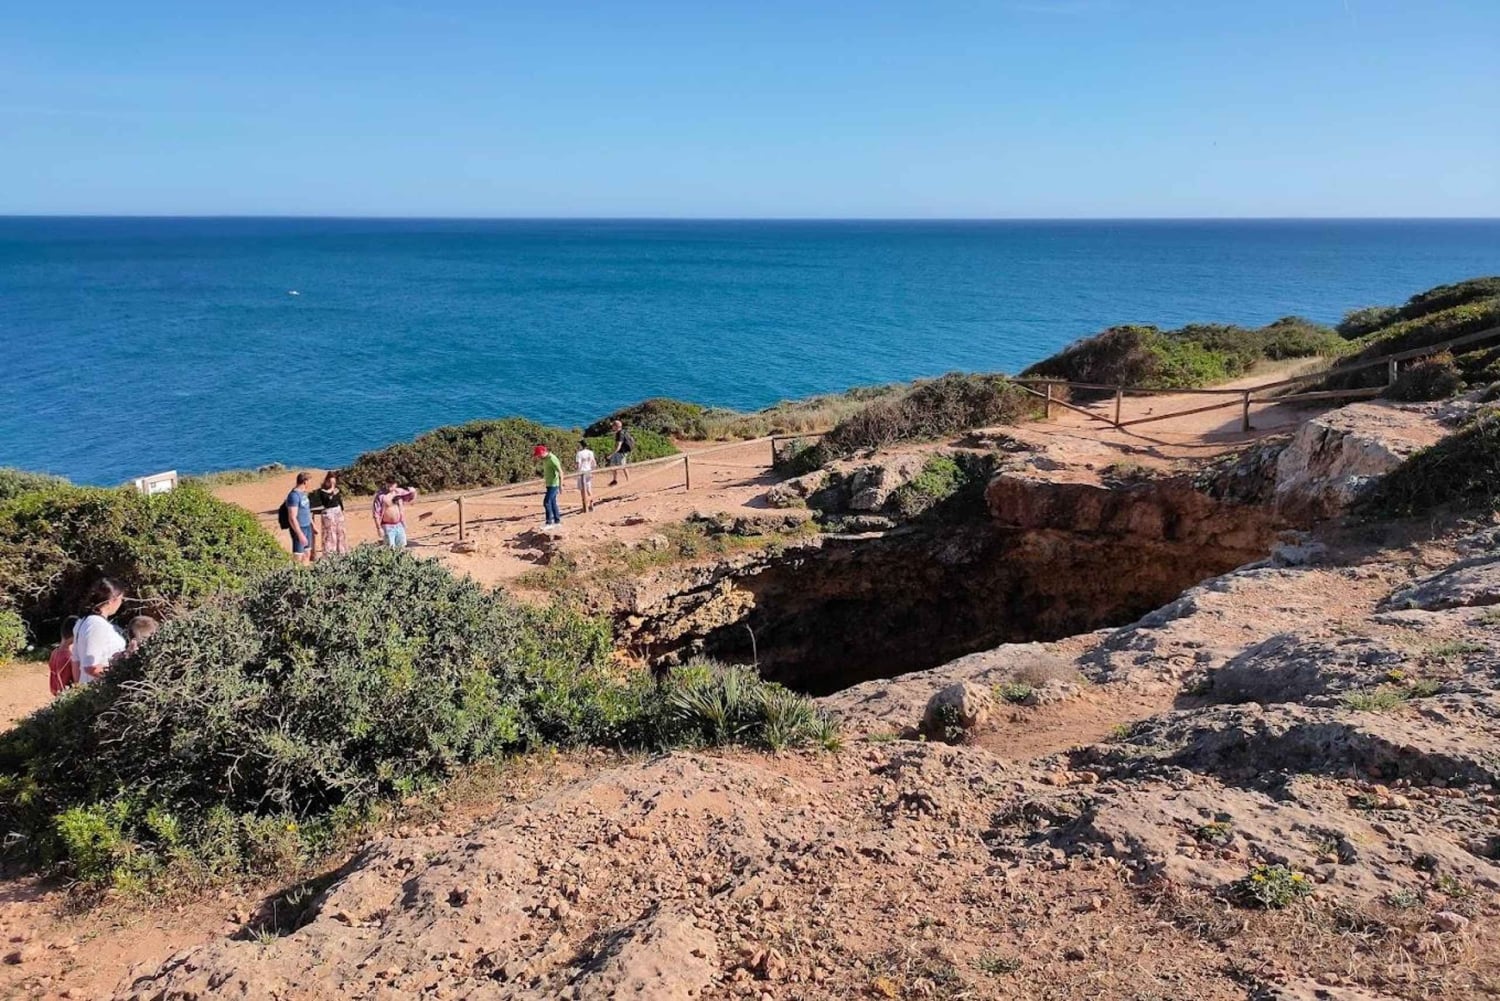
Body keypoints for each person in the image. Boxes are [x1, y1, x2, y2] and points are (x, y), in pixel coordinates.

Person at [73, 578, 126, 686]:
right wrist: (121, 676)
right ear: (112, 600)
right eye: (121, 599)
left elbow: (75, 661)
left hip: (89, 688)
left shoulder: (83, 621)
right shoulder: (97, 624)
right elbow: (91, 666)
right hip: (100, 689)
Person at [311, 472, 349, 557]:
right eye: (331, 482)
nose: (333, 484)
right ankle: (329, 554)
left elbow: (339, 502)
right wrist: (332, 493)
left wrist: (342, 511)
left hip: (338, 512)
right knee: (329, 534)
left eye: (334, 483)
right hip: (328, 513)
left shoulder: (336, 490)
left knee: (340, 532)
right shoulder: (322, 491)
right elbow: (326, 502)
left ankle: (342, 552)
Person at [373, 479, 417, 549]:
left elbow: (410, 498)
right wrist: (379, 528)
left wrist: (413, 492)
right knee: (390, 549)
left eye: (392, 483)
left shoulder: (399, 492)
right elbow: (376, 514)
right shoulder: (380, 496)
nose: (390, 485)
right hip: (387, 526)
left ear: (396, 484)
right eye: (388, 483)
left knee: (401, 548)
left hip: (399, 525)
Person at [284, 472, 316, 563]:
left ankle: (306, 574)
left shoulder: (304, 493)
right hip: (300, 528)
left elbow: (307, 510)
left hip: (307, 526)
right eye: (310, 481)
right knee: (298, 556)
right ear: (305, 481)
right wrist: (299, 534)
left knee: (307, 553)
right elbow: (292, 517)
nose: (310, 484)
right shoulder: (294, 496)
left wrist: (313, 525)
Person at [47, 616, 78, 696]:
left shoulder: (54, 652)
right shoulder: (71, 656)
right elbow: (77, 682)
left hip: (56, 693)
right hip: (68, 695)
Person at [535, 445, 564, 527]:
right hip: (549, 484)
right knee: (553, 502)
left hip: (554, 484)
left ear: (543, 452)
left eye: (539, 455)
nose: (538, 457)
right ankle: (557, 521)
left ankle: (549, 522)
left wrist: (561, 485)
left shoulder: (552, 459)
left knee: (546, 502)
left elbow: (561, 472)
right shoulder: (545, 459)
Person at [608, 420, 634, 487]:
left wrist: (612, 454)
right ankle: (614, 480)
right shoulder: (622, 432)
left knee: (623, 466)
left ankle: (629, 480)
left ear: (616, 426)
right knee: (613, 466)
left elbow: (618, 446)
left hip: (621, 453)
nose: (612, 427)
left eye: (613, 425)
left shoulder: (620, 434)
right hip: (618, 452)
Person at [575, 439, 597, 513]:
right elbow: (594, 463)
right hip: (589, 471)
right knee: (589, 489)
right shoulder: (590, 452)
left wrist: (577, 472)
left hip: (582, 472)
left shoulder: (579, 453)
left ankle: (585, 505)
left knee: (582, 490)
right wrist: (593, 470)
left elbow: (578, 464)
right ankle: (591, 504)